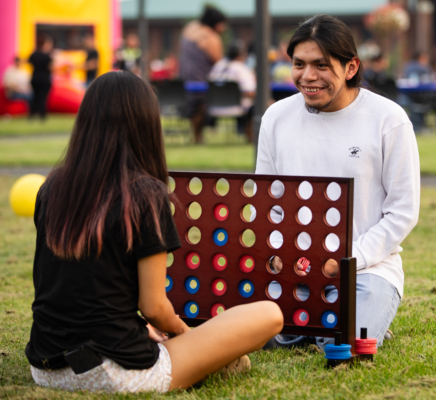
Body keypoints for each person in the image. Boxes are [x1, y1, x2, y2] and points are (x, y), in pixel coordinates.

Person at [25, 71, 283, 393]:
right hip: (114, 373)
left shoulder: (53, 187)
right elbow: (154, 306)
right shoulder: (145, 194)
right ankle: (212, 359)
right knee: (270, 314)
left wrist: (137, 325)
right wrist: (187, 335)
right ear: (146, 124)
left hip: (46, 366)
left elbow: (61, 288)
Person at [256, 15, 420, 348]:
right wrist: (275, 252)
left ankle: (328, 325)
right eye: (299, 64)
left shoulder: (389, 119)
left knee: (341, 345)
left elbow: (403, 211)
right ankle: (316, 324)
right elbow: (268, 204)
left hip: (365, 272)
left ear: (350, 67)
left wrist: (347, 259)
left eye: (321, 65)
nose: (307, 76)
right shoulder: (276, 117)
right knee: (240, 331)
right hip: (293, 272)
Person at [179, 5, 227, 144]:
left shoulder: (189, 29)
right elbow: (218, 61)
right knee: (200, 108)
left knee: (193, 107)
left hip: (184, 78)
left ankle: (196, 136)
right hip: (201, 81)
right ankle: (198, 137)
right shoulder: (210, 37)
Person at [208, 41, 256, 142]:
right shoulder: (241, 68)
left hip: (214, 108)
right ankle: (251, 138)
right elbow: (250, 92)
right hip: (237, 108)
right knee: (263, 103)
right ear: (241, 54)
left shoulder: (218, 65)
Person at [28, 35, 53, 120]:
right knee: (43, 97)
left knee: (35, 96)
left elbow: (29, 62)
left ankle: (32, 113)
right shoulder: (47, 56)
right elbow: (51, 67)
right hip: (44, 79)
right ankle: (42, 114)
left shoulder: (34, 54)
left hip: (35, 78)